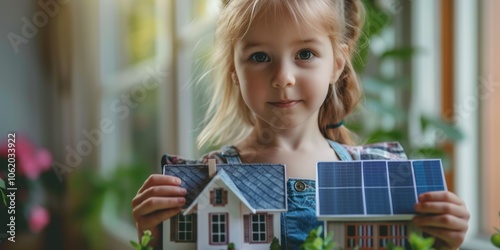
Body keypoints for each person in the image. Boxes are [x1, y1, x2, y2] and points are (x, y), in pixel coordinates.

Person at [132, 0, 469, 249]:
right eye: (260, 57)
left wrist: (440, 240)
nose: (283, 78)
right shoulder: (205, 184)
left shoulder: (383, 173)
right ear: (234, 69)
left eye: (305, 54)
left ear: (337, 63)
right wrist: (154, 239)